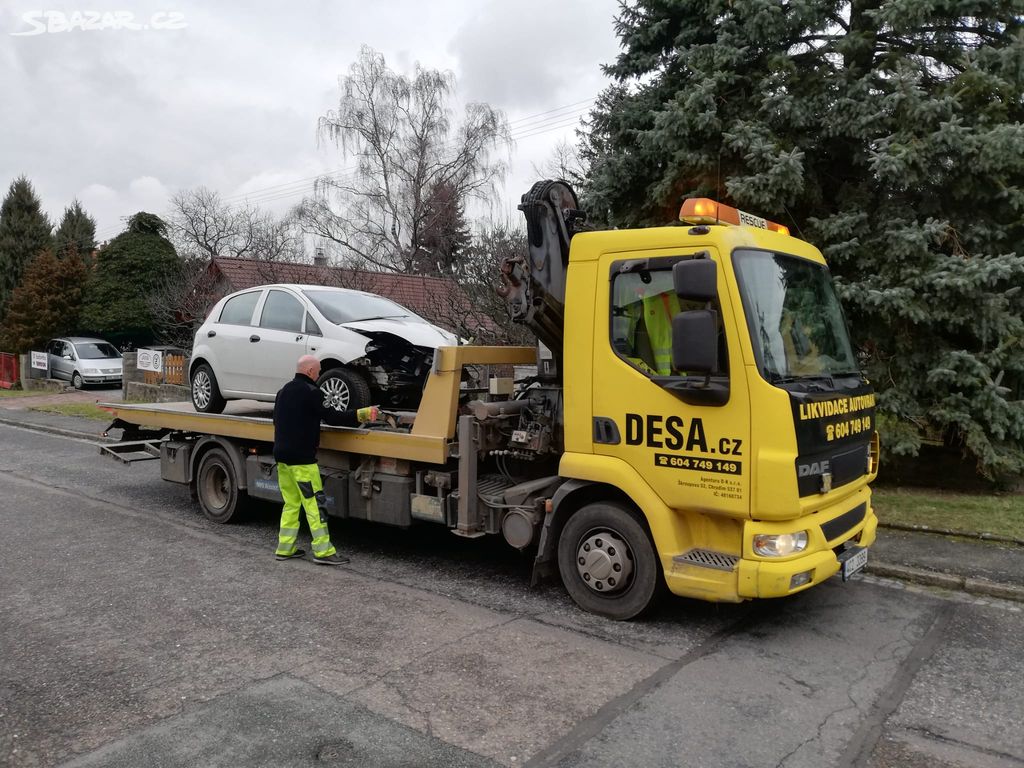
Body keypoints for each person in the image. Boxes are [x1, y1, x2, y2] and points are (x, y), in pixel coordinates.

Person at [273, 355, 377, 565]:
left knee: (291, 503)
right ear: (310, 371)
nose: (319, 374)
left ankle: (285, 548)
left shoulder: (282, 391)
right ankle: (323, 552)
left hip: (282, 458)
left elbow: (278, 419)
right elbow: (333, 417)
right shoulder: (312, 392)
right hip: (302, 461)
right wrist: (362, 414)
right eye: (318, 371)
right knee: (314, 506)